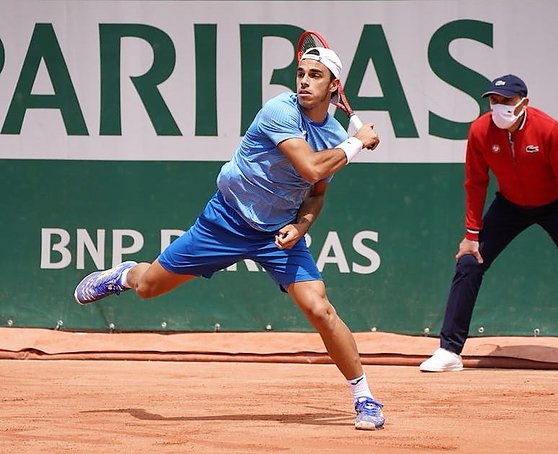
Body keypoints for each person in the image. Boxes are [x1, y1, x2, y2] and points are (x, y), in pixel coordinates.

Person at [74, 46, 386, 429]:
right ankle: (125, 275)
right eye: (301, 73)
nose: (304, 81)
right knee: (148, 288)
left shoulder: (334, 136)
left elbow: (316, 191)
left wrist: (302, 226)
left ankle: (365, 397)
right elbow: (308, 168)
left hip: (275, 232)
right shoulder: (280, 110)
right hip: (225, 220)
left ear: (334, 87)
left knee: (320, 309)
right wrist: (357, 144)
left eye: (315, 75)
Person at [419, 74, 558, 377]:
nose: (498, 107)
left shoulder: (548, 129)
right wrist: (471, 235)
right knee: (469, 262)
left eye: (506, 102)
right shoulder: (480, 131)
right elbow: (476, 183)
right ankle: (449, 351)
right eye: (494, 101)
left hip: (553, 204)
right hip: (509, 205)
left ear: (524, 103)